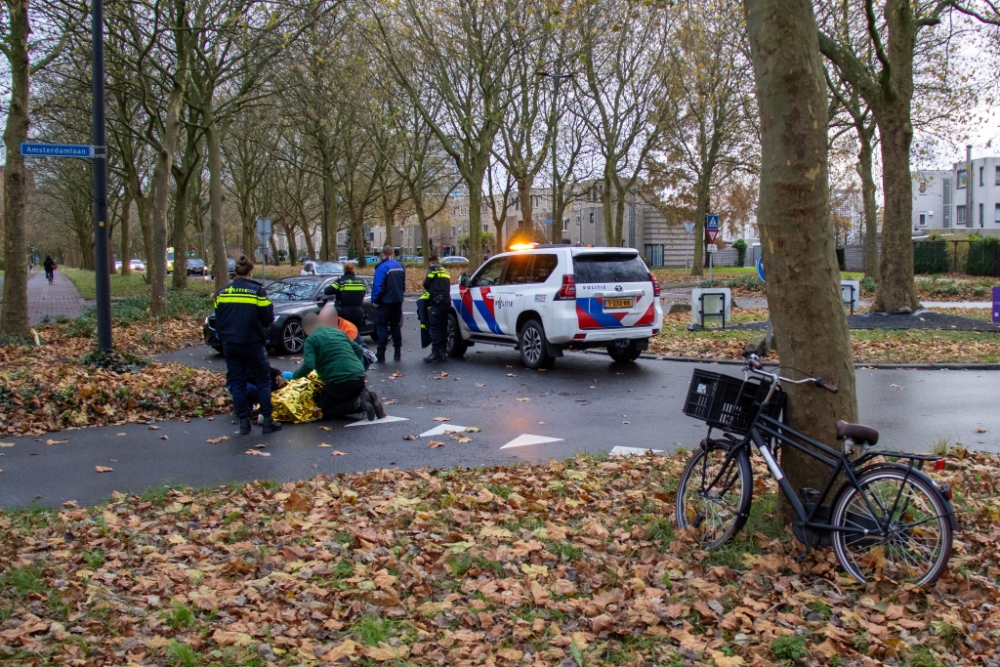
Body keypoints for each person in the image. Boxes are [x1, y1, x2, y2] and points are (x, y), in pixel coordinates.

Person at [214, 255, 282, 435]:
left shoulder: (223, 293)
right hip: (252, 342)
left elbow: (218, 317)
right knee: (262, 379)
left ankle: (243, 421)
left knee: (237, 381)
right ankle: (267, 420)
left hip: (230, 343)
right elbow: (268, 318)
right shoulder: (258, 292)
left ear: (235, 272)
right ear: (251, 272)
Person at [293, 312, 384, 421]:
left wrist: (295, 376)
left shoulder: (311, 340)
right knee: (343, 397)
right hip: (359, 377)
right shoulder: (338, 332)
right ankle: (368, 399)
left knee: (325, 410)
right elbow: (359, 350)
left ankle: (358, 403)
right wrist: (352, 364)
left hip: (339, 381)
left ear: (306, 328)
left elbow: (309, 364)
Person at [371, 245, 406, 363]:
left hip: (385, 301)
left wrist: (375, 300)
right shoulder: (400, 266)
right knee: (395, 325)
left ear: (383, 254)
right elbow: (403, 284)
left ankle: (381, 353)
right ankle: (397, 352)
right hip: (397, 300)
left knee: (382, 326)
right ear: (392, 254)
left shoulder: (382, 267)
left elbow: (378, 286)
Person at [423, 254, 452, 363]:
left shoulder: (432, 270)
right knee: (443, 327)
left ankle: (435, 353)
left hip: (437, 301)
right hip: (446, 301)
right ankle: (442, 353)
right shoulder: (446, 271)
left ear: (431, 262)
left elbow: (425, 284)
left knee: (434, 327)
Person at [325, 262, 367, 329]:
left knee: (344, 333)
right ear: (353, 269)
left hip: (344, 311)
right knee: (356, 333)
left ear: (344, 270)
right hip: (358, 311)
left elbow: (327, 291)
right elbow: (364, 292)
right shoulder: (361, 281)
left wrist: (336, 291)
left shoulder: (340, 281)